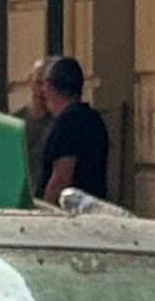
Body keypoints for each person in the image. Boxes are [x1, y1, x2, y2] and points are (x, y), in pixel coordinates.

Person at [29, 56, 110, 204]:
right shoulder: (93, 118)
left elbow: (61, 178)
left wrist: (46, 213)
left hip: (69, 214)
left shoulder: (68, 122)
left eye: (42, 85)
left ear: (49, 87)